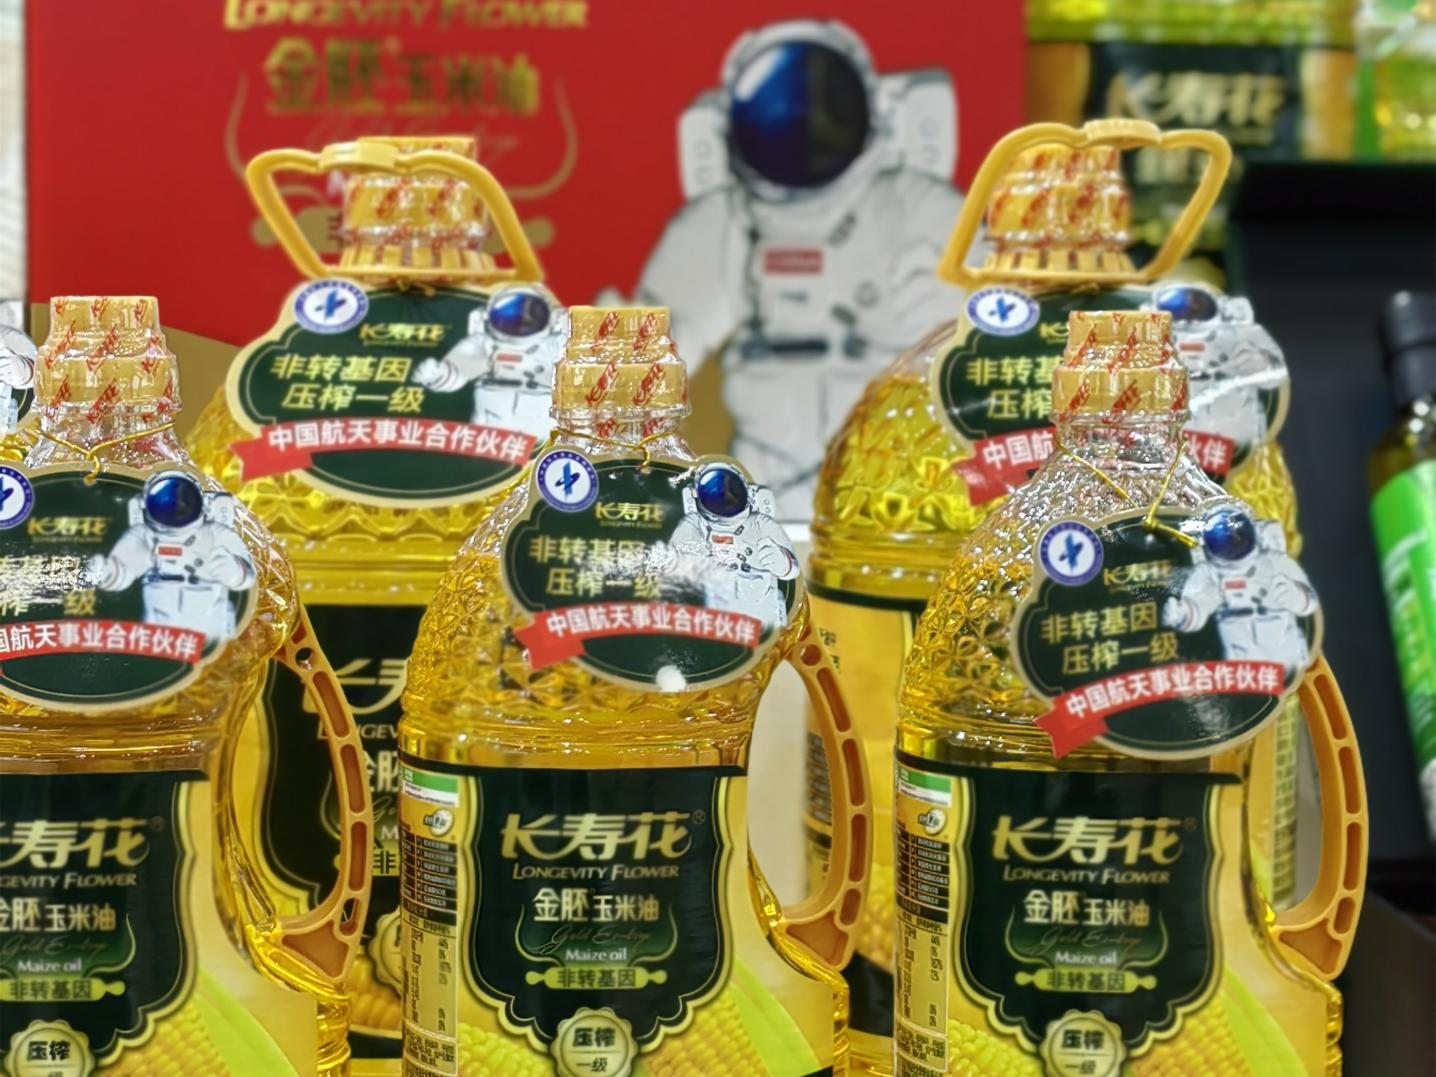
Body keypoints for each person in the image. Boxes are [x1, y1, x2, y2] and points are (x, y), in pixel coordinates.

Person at [622, 19, 972, 517]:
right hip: (760, 496)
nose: (803, 124)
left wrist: (958, 330)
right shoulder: (725, 224)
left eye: (827, 106)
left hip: (900, 497)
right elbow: (635, 375)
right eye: (780, 108)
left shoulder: (923, 215)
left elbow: (1011, 359)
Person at [90, 471, 255, 643]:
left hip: (210, 632)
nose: (176, 507)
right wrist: (105, 571)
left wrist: (234, 571)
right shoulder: (144, 536)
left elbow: (248, 574)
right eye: (164, 500)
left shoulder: (215, 534)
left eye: (185, 499)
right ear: (145, 505)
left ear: (202, 503)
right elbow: (122, 570)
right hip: (161, 638)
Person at [412, 284, 567, 442]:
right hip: (491, 432)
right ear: (486, 316)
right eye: (509, 315)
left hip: (541, 429)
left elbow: (579, 363)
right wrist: (436, 374)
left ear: (551, 318)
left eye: (532, 314)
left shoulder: (553, 345)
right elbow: (456, 374)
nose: (520, 321)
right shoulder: (484, 345)